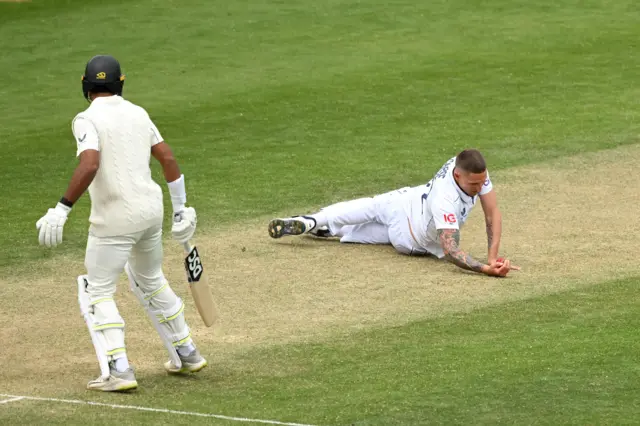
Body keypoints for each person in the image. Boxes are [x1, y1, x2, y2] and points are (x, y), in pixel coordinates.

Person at [35, 55, 207, 392]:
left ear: (85, 85)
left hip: (114, 217)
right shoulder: (138, 112)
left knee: (98, 289)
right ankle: (187, 352)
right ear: (120, 83)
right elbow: (168, 158)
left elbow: (89, 165)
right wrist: (181, 208)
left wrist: (62, 208)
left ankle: (120, 369)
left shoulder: (85, 119)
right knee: (152, 280)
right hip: (150, 212)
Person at [268, 149, 518, 277]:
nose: (479, 188)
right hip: (408, 225)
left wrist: (491, 256)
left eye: (481, 182)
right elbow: (451, 250)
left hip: (409, 218)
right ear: (457, 175)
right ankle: (312, 222)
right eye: (474, 184)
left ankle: (318, 223)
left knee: (367, 210)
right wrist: (486, 269)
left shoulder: (471, 168)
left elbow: (492, 212)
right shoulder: (446, 199)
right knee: (368, 207)